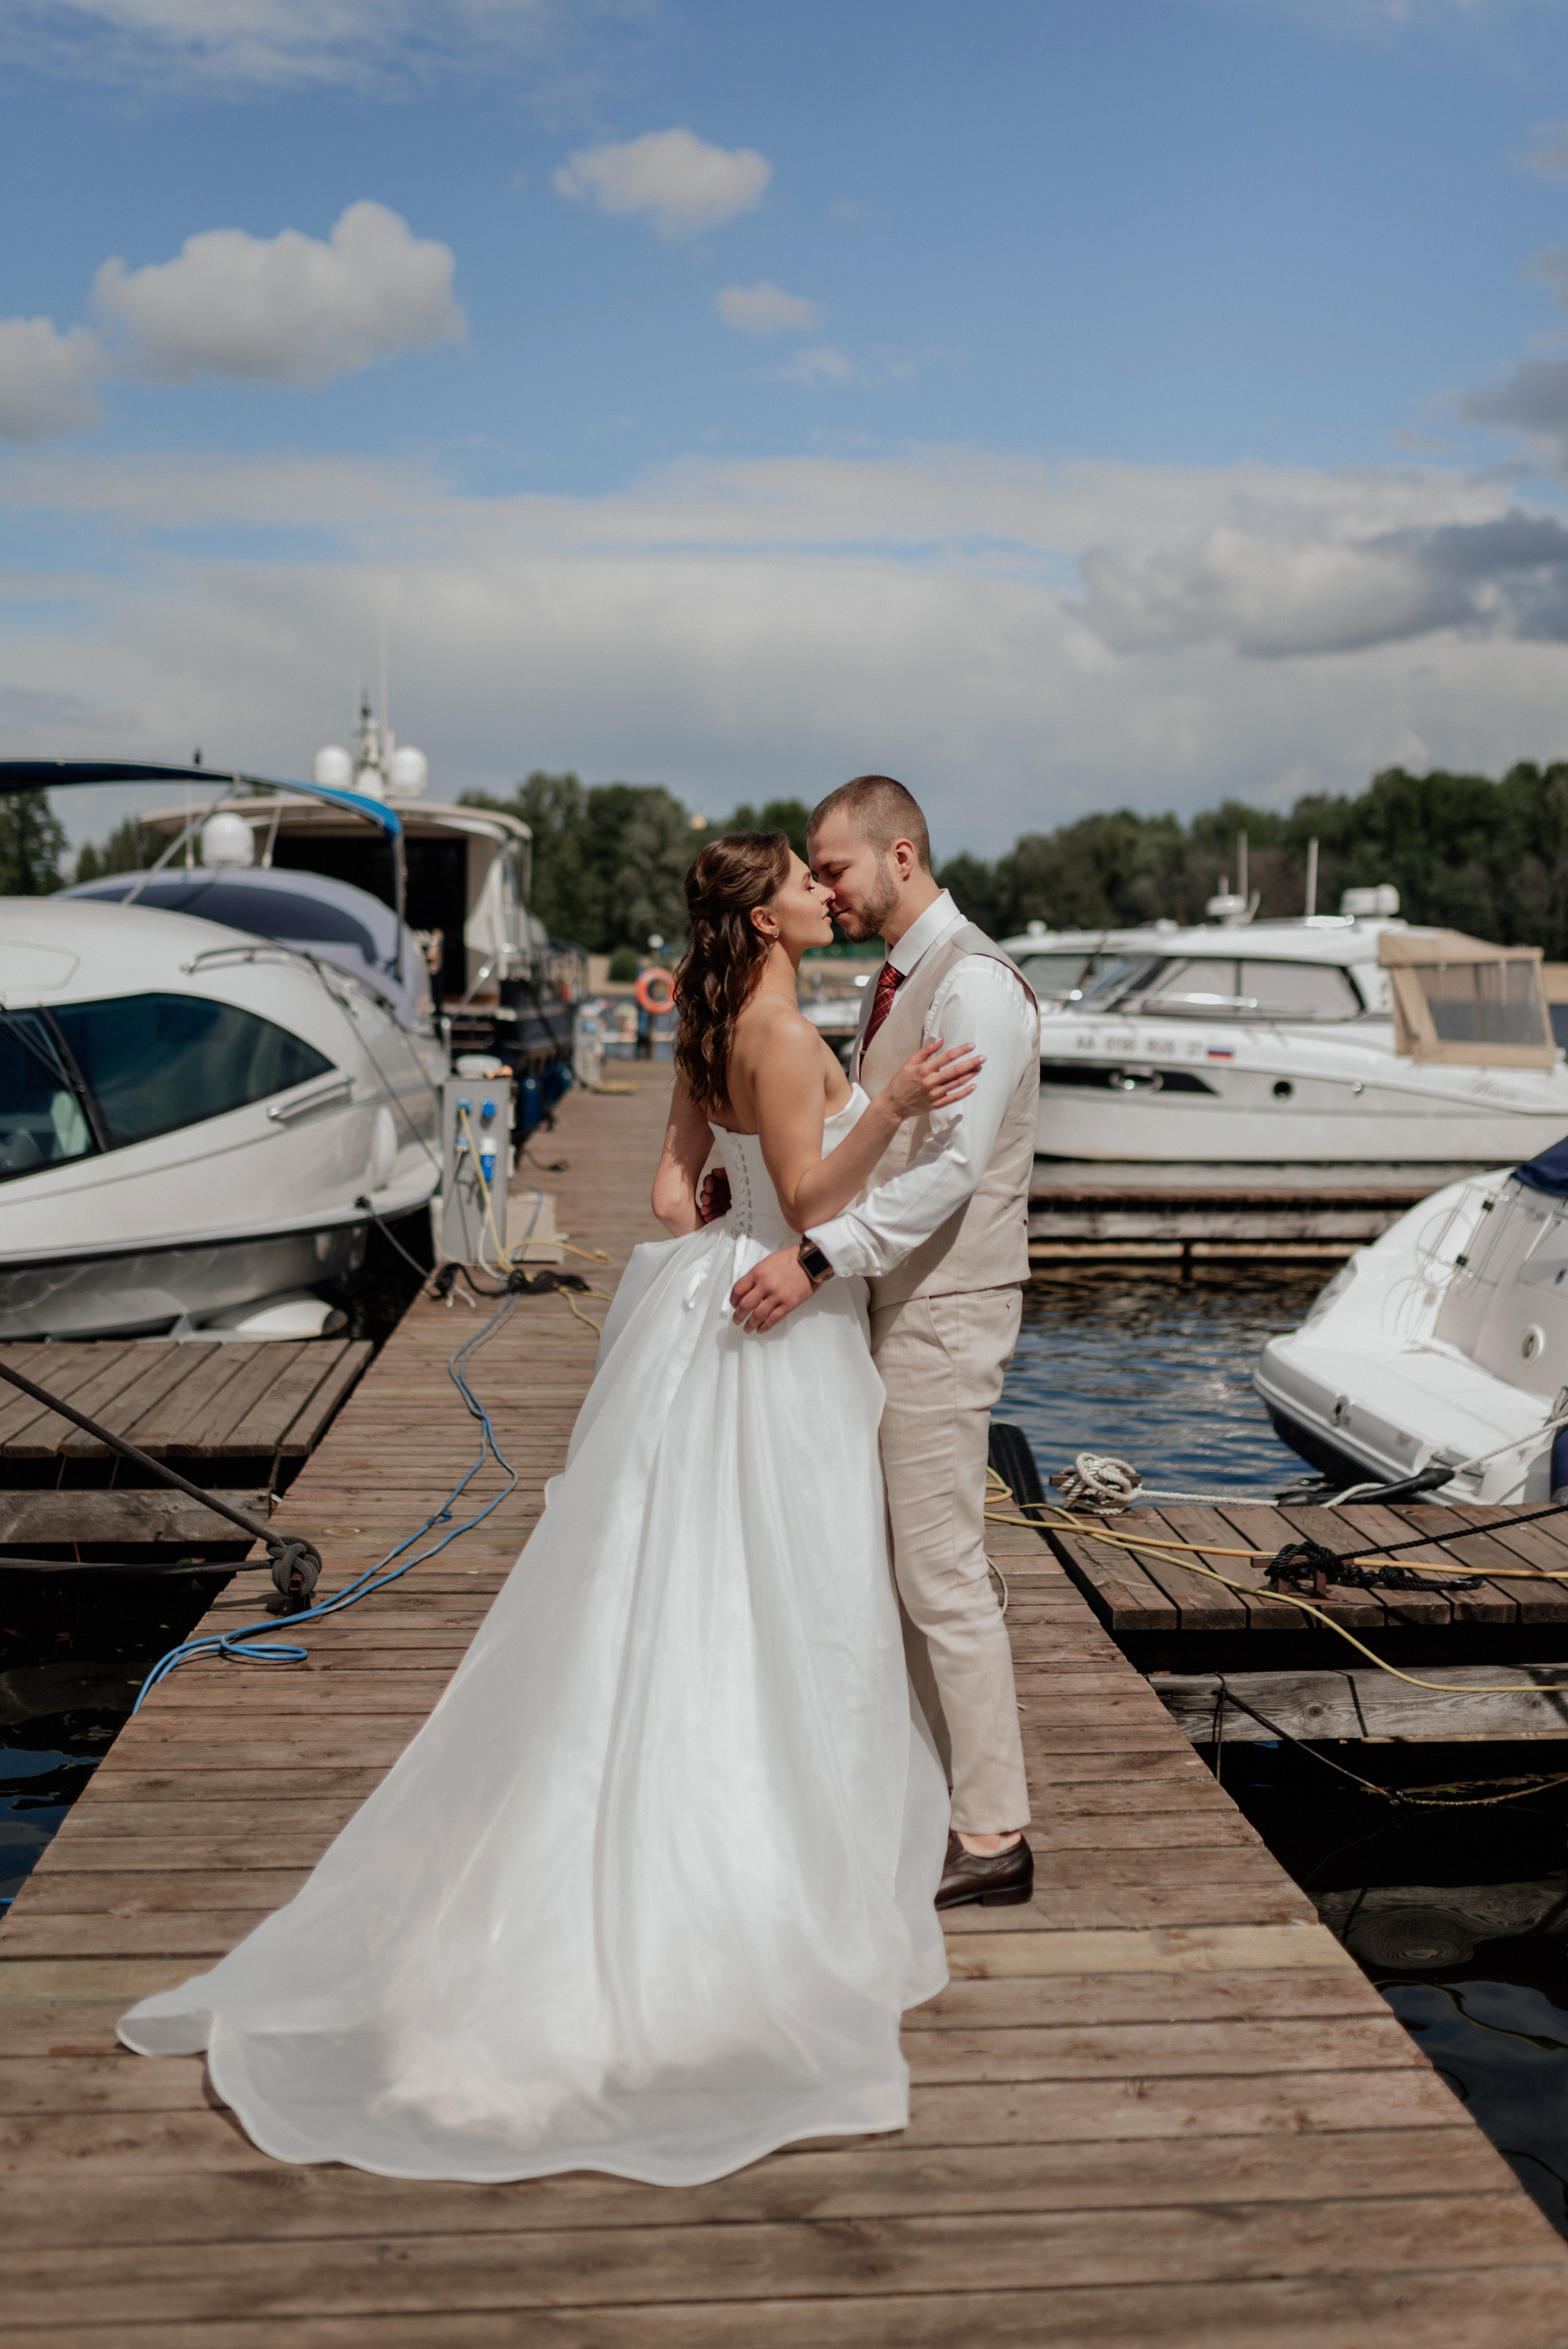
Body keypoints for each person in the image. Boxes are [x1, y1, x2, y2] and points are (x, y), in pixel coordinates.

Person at [117, 831, 975, 2188]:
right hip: (780, 1315)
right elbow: (811, 1199)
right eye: (802, 886)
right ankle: (758, 1863)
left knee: (669, 1572)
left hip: (704, 1302)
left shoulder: (707, 1029)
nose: (825, 893)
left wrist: (724, 1207)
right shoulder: (777, 1029)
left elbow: (662, 1194)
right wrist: (893, 1101)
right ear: (761, 924)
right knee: (785, 1579)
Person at [726, 776, 1039, 1910]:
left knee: (940, 1569)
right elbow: (872, 1128)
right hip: (891, 1301)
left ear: (900, 855)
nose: (829, 889)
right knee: (899, 1566)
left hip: (945, 1307)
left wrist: (812, 1259)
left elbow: (954, 1170)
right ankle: (939, 1797)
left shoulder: (982, 991)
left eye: (838, 868)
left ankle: (996, 1830)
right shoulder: (903, 982)